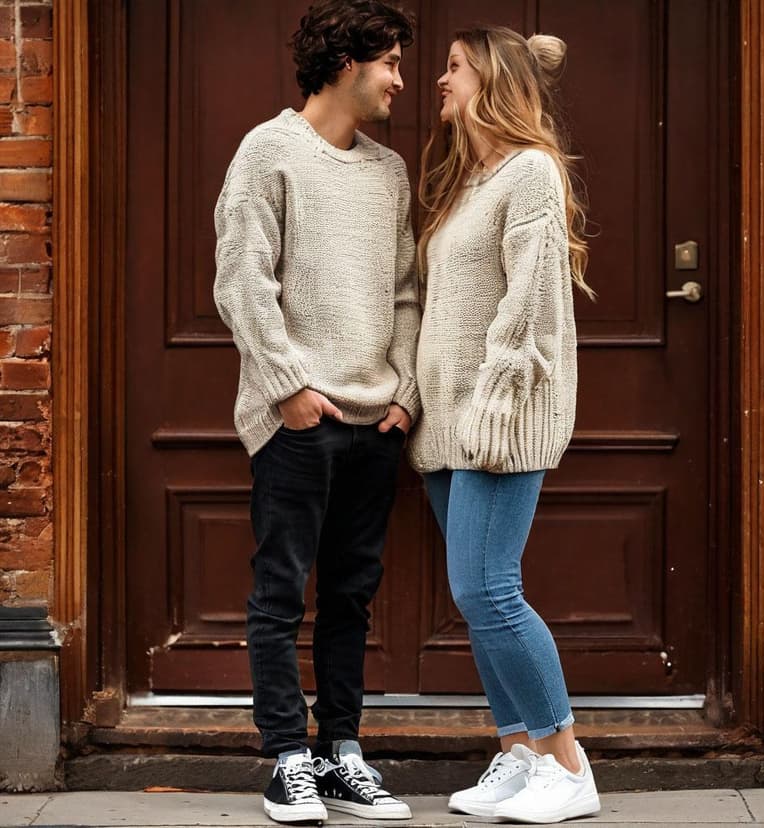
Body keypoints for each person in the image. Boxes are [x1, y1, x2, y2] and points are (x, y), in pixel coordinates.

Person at [213, 1, 419, 822]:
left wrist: (405, 390)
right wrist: (288, 386)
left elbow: (405, 293)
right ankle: (286, 760)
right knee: (280, 594)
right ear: (345, 63)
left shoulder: (389, 171)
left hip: (376, 421)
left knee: (350, 599)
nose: (401, 80)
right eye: (391, 63)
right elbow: (241, 279)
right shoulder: (268, 151)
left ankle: (341, 754)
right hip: (298, 418)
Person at [408, 25, 601, 824]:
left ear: (491, 79)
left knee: (488, 587)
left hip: (500, 418)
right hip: (446, 424)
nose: (440, 79)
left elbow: (530, 304)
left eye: (455, 66)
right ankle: (520, 755)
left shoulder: (530, 171)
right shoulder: (470, 181)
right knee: (476, 595)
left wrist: (492, 405)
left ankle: (566, 764)